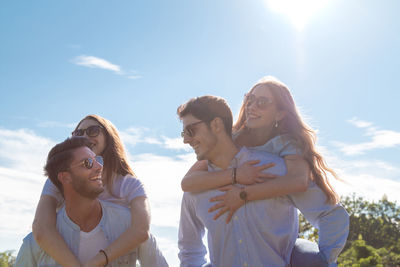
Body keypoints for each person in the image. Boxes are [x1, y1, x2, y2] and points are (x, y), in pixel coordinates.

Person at [177, 93, 349, 267]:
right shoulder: (195, 189)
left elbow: (331, 215)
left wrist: (322, 261)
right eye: (184, 133)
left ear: (216, 125)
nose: (185, 140)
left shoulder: (276, 169)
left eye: (191, 131)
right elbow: (189, 249)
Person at [15, 137, 168, 267]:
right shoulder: (34, 243)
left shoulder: (128, 225)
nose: (99, 167)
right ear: (65, 177)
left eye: (97, 160)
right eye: (87, 163)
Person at [32, 115, 151, 267]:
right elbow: (41, 229)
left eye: (93, 130)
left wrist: (99, 260)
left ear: (108, 136)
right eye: (78, 133)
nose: (85, 136)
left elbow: (142, 230)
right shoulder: (58, 180)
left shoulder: (130, 184)